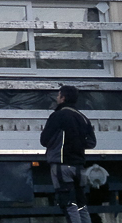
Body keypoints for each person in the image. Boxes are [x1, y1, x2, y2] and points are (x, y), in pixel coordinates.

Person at [40, 85, 97, 223]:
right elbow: (91, 142)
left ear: (63, 98)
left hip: (62, 165)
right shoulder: (83, 118)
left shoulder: (58, 116)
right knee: (81, 204)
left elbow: (44, 140)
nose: (57, 98)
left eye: (58, 95)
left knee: (68, 204)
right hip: (79, 166)